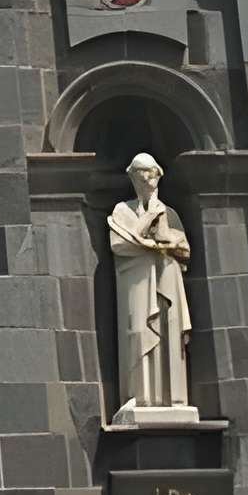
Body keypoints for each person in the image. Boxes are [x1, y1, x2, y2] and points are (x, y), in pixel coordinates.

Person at [107, 150, 192, 419]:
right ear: (132, 176)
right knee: (138, 332)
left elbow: (183, 249)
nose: (148, 177)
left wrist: (163, 235)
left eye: (152, 171)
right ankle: (139, 398)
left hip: (167, 280)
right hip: (137, 284)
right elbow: (119, 244)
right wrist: (148, 219)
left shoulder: (169, 213)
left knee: (169, 331)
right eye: (142, 172)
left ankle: (174, 398)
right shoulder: (122, 210)